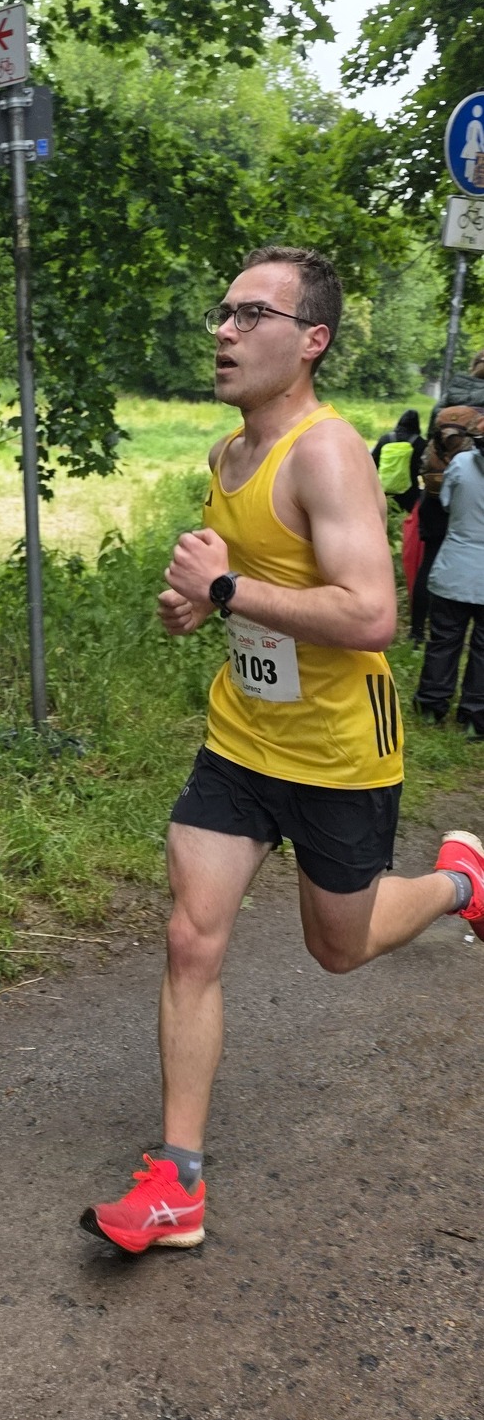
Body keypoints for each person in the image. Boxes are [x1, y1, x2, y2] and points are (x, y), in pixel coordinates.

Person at [80, 244, 484, 1257]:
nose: (225, 330)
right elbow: (245, 592)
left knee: (337, 948)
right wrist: (195, 605)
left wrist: (224, 589)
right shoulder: (228, 455)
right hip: (241, 736)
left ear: (311, 341)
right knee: (191, 937)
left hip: (341, 750)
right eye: (223, 312)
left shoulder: (326, 452)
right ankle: (176, 1181)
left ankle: (459, 883)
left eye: (252, 314)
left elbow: (371, 613)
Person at [413, 433, 484, 737]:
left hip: (454, 568)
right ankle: (475, 719)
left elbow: (445, 502)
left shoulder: (461, 462)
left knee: (443, 640)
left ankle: (431, 707)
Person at [370, 408, 424, 513]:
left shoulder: (385, 439)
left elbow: (373, 462)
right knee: (406, 517)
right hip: (409, 491)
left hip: (385, 489)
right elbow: (423, 467)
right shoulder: (419, 442)